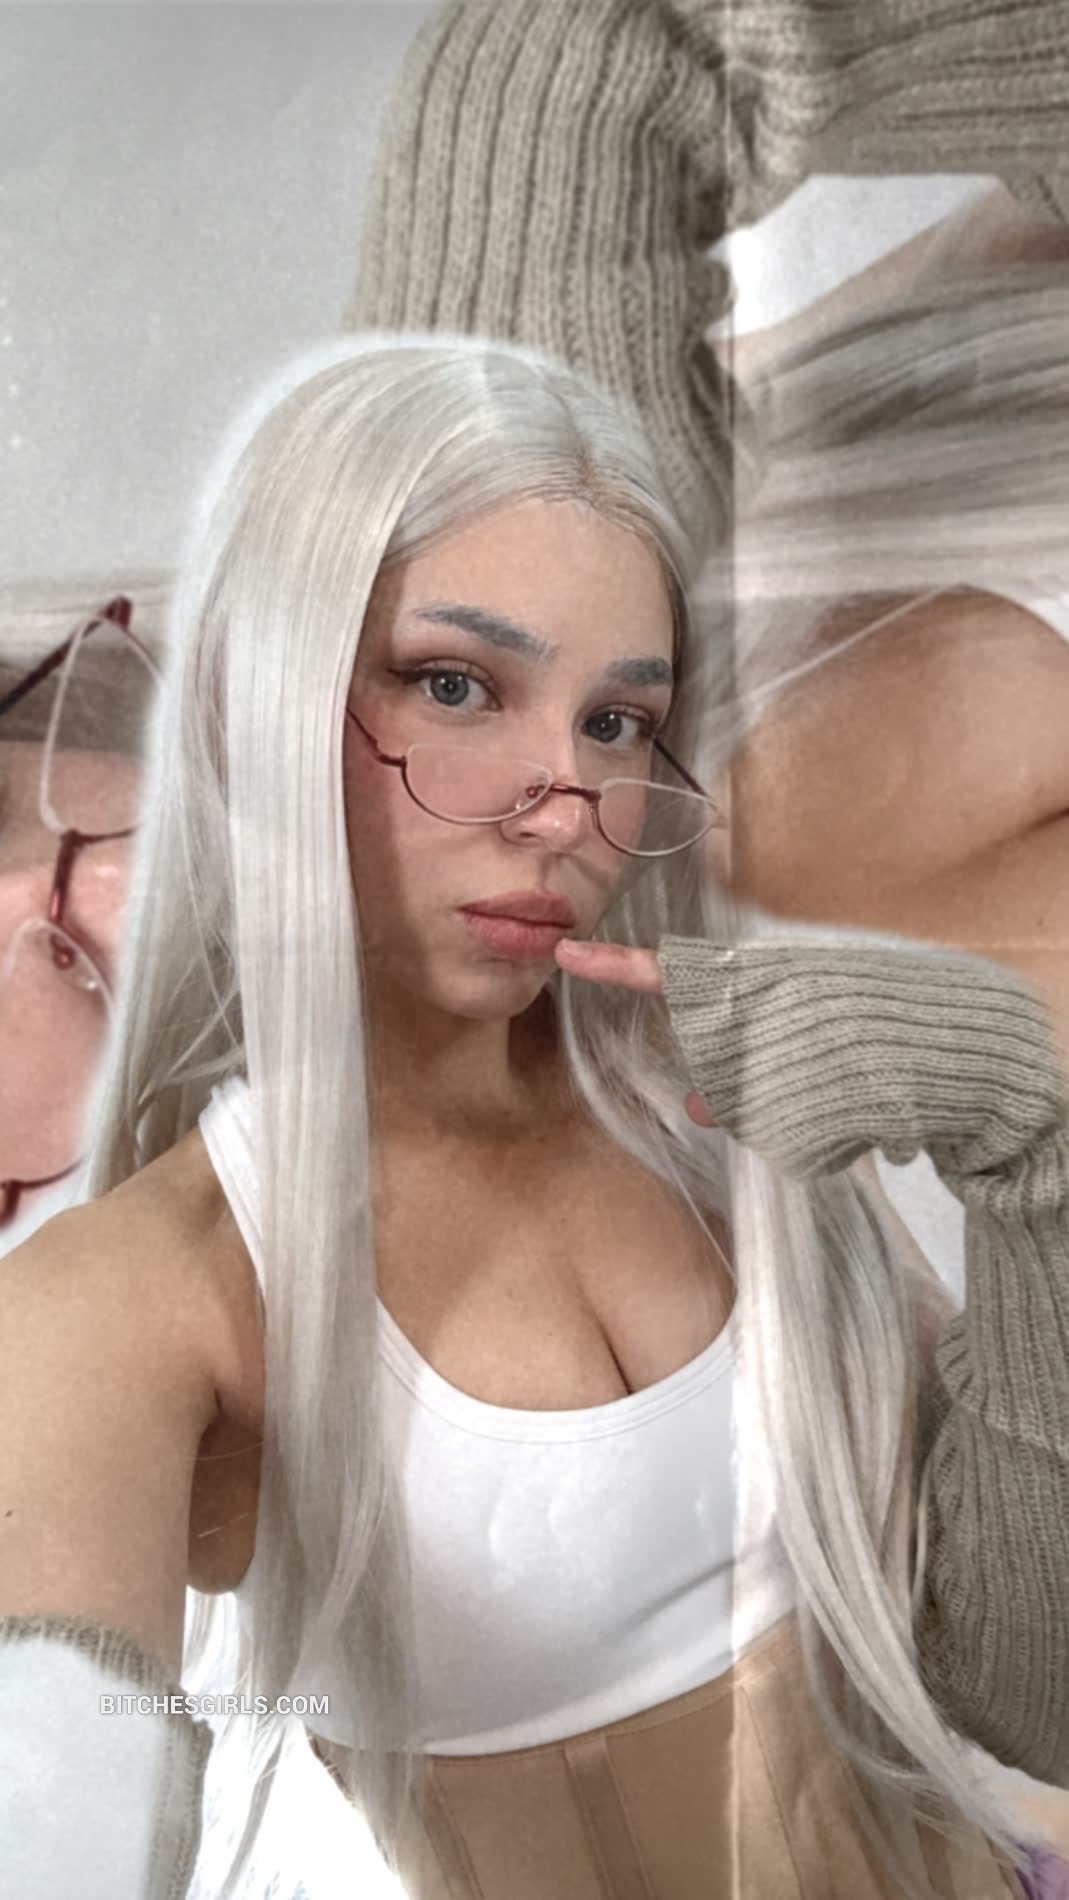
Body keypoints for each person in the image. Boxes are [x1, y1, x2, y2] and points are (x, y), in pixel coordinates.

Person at [1, 326, 1069, 1900]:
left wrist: (1034, 1167)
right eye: (454, 685)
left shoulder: (727, 1106)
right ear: (250, 707)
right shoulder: (144, 1298)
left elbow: (1025, 1694)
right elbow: (58, 1809)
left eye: (615, 721)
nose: (560, 802)